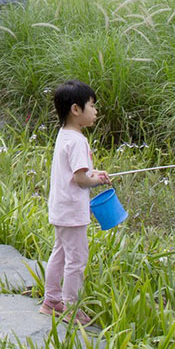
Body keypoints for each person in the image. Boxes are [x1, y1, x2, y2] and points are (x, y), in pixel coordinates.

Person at [41, 80, 111, 325]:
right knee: (77, 260)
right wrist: (98, 181)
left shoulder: (65, 134)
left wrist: (94, 173)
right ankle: (71, 308)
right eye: (92, 106)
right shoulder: (78, 141)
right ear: (76, 109)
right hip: (72, 210)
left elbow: (78, 173)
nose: (95, 111)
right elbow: (80, 179)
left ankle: (51, 300)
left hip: (60, 207)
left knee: (59, 253)